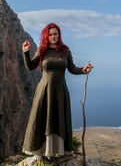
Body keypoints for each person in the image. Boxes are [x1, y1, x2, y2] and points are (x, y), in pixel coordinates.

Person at [22, 23, 93, 158]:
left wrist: (84, 70)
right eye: (50, 34)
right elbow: (30, 67)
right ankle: (41, 152)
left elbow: (72, 68)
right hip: (44, 91)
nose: (53, 36)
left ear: (59, 35)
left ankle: (57, 152)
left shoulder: (65, 50)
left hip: (60, 91)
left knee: (58, 119)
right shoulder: (42, 50)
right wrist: (26, 52)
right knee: (42, 119)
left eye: (55, 34)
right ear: (46, 36)